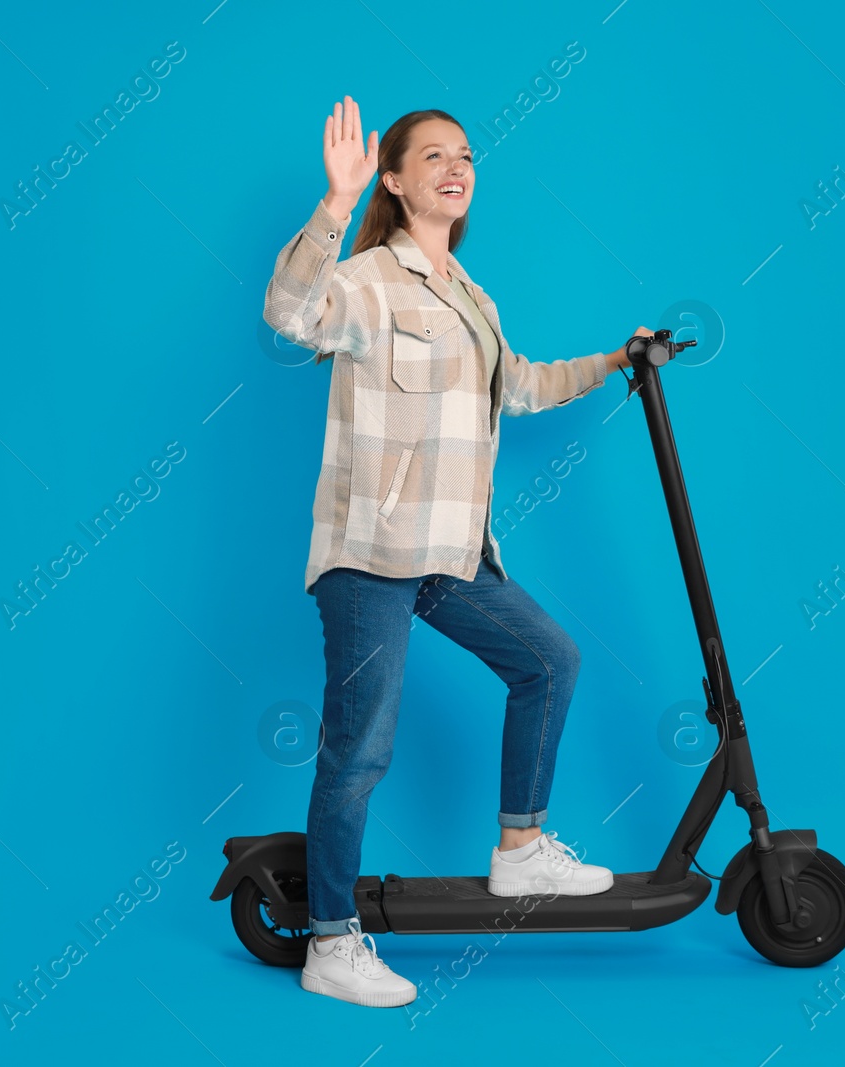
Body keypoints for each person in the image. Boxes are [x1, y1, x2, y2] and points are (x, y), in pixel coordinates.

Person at [262, 95, 651, 1009]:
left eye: (466, 154)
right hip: (369, 556)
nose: (456, 165)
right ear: (393, 180)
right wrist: (333, 203)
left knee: (550, 660)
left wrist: (615, 361)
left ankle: (519, 851)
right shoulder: (365, 278)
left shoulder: (472, 296)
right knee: (361, 749)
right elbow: (287, 312)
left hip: (448, 553)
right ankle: (331, 940)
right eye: (433, 154)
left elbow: (518, 386)